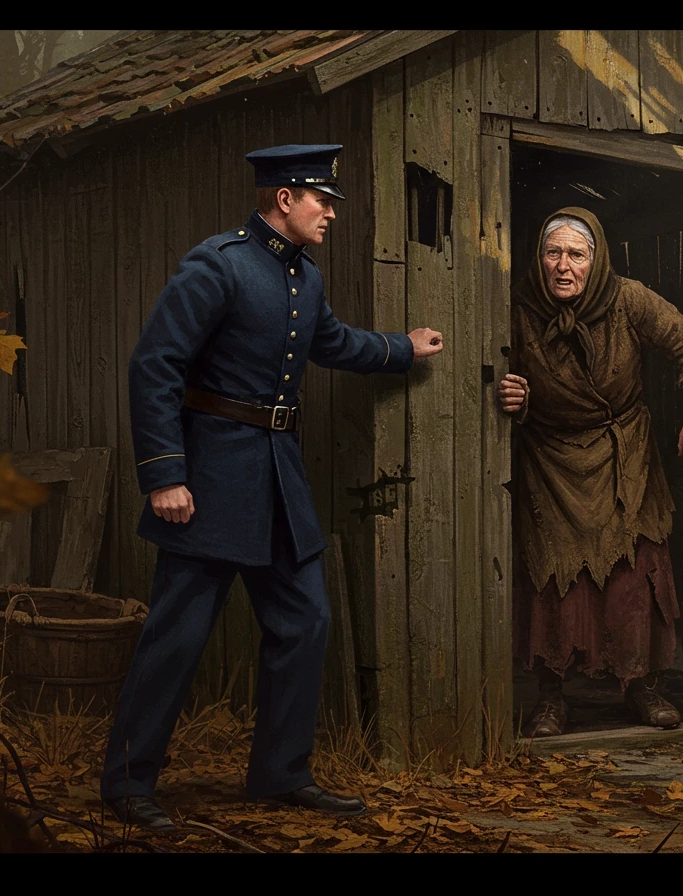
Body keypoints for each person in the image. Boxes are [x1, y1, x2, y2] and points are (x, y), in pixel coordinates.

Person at [101, 144, 444, 831]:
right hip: (208, 478)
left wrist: (401, 348)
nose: (331, 215)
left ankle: (280, 775)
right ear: (284, 199)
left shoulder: (303, 277)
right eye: (323, 201)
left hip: (278, 480)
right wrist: (165, 474)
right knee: (177, 637)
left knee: (305, 622)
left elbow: (333, 343)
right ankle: (129, 783)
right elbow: (154, 366)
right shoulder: (218, 265)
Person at [497, 206, 683, 738]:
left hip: (625, 454)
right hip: (551, 457)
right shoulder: (516, 305)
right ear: (539, 257)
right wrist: (512, 394)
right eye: (554, 253)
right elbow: (491, 370)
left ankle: (642, 686)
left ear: (596, 261)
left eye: (576, 254)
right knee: (553, 573)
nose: (563, 266)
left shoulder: (627, 298)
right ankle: (551, 697)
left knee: (634, 573)